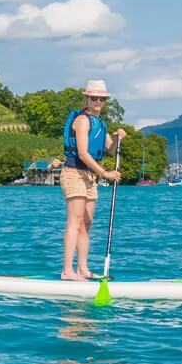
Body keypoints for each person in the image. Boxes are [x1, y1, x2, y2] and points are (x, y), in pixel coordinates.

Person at [61, 80, 128, 281]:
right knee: (75, 221)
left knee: (86, 224)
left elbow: (109, 148)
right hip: (74, 173)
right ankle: (67, 271)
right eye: (94, 98)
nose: (98, 101)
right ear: (87, 98)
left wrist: (118, 138)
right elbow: (82, 153)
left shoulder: (100, 123)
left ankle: (83, 269)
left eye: (102, 98)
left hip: (89, 177)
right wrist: (105, 172)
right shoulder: (82, 120)